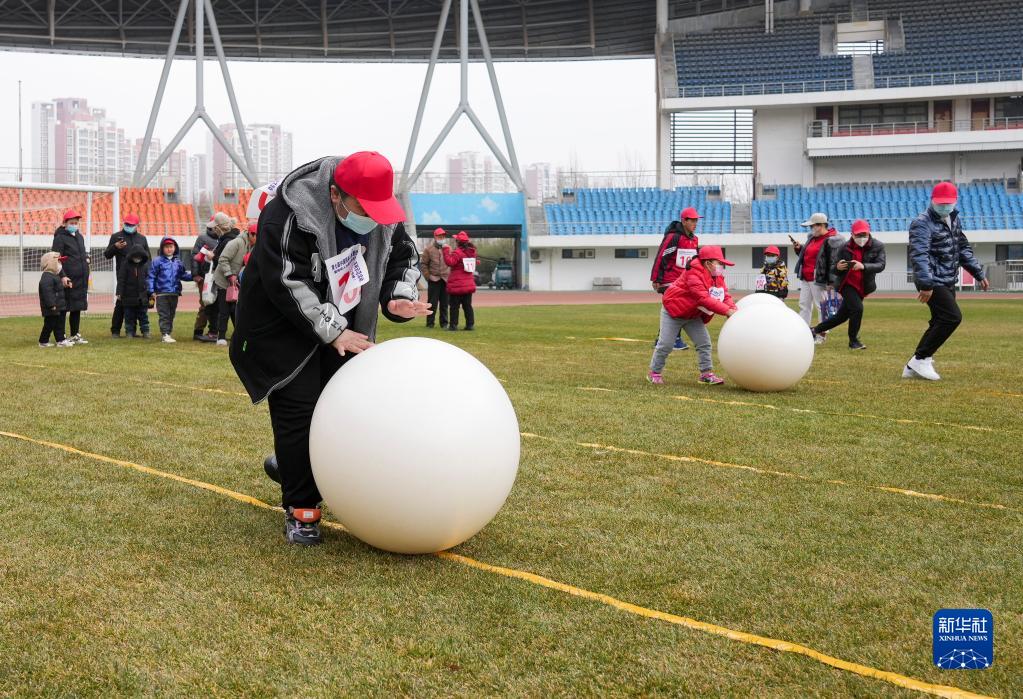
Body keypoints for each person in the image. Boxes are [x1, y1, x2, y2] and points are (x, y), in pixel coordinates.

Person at [229, 151, 431, 546]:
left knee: (348, 407)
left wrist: (397, 296)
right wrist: (333, 331)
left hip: (347, 323)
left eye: (378, 210)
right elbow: (288, 282)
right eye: (363, 209)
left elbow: (403, 258)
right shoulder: (288, 211)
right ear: (336, 195)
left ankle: (297, 468)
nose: (371, 218)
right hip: (283, 327)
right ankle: (302, 509)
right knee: (300, 406)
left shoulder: (382, 214)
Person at [904, 181, 989, 381]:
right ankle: (920, 358)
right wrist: (926, 284)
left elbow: (962, 249)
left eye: (948, 203)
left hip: (948, 278)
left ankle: (912, 365)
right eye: (940, 203)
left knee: (938, 320)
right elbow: (919, 255)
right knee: (952, 317)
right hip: (932, 279)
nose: (944, 207)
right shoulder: (921, 223)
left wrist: (978, 273)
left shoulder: (954, 219)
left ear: (955, 202)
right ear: (932, 201)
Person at [648, 245, 737, 386]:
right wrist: (727, 311)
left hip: (692, 314)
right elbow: (703, 299)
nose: (721, 266)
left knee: (704, 343)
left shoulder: (717, 276)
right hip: (673, 311)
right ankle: (654, 373)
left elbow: (724, 294)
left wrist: (733, 308)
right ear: (708, 263)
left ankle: (706, 374)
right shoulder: (693, 273)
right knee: (666, 344)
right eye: (718, 263)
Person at [811, 220, 885, 350]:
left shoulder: (877, 246)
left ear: (869, 233)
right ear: (852, 234)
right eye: (858, 235)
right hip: (847, 284)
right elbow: (834, 268)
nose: (861, 238)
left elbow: (881, 265)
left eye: (864, 234)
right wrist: (838, 267)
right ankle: (853, 341)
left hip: (863, 286)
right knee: (857, 309)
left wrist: (864, 266)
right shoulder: (844, 247)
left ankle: (814, 330)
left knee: (841, 317)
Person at [650, 207, 701, 351]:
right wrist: (656, 279)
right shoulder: (673, 237)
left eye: (696, 220)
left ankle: (665, 339)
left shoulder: (694, 239)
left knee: (680, 308)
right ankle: (674, 340)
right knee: (676, 308)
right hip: (670, 279)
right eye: (692, 220)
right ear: (684, 221)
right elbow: (662, 257)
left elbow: (695, 261)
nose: (695, 223)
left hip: (685, 281)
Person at [792, 212, 843, 344]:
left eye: (812, 226)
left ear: (820, 226)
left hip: (820, 279)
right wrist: (800, 249)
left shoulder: (833, 240)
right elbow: (809, 255)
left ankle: (821, 335)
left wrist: (831, 281)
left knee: (822, 307)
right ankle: (802, 332)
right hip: (806, 276)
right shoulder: (812, 238)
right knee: (804, 305)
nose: (811, 229)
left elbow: (833, 262)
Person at [103, 213, 148, 338]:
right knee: (121, 303)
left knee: (136, 303)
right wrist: (115, 247)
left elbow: (147, 257)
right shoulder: (116, 236)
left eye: (131, 225)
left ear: (137, 225)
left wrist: (146, 274)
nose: (129, 226)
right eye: (127, 224)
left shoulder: (142, 238)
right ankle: (115, 330)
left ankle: (132, 331)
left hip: (139, 277)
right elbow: (107, 254)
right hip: (123, 275)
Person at [50, 209, 90, 345]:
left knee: (77, 307)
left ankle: (75, 334)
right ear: (64, 223)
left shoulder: (80, 236)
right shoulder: (60, 238)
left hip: (80, 280)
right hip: (68, 279)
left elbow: (80, 255)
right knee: (64, 308)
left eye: (76, 222)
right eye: (71, 222)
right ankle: (61, 336)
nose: (74, 225)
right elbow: (56, 259)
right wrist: (62, 276)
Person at [147, 237, 193, 343]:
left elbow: (183, 275)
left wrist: (194, 277)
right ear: (162, 248)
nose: (169, 249)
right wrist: (151, 290)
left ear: (175, 248)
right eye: (166, 247)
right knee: (164, 314)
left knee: (171, 314)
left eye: (171, 247)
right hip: (162, 293)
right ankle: (165, 334)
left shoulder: (178, 262)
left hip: (174, 293)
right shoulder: (157, 261)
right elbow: (151, 276)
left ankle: (168, 333)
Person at [210, 212, 246, 346]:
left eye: (215, 227)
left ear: (220, 227)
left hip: (232, 280)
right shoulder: (233, 239)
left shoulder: (229, 241)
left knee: (228, 310)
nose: (213, 229)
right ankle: (222, 336)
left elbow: (222, 259)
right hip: (226, 279)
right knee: (227, 309)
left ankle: (226, 336)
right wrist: (230, 275)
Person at [190, 216, 220, 342]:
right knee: (205, 304)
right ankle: (198, 331)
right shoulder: (202, 238)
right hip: (204, 276)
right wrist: (196, 274)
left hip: (218, 276)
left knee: (216, 305)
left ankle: (214, 330)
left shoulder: (222, 239)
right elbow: (194, 256)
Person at [38, 252, 74, 348]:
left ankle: (60, 340)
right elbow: (47, 292)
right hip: (52, 307)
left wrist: (65, 284)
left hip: (59, 306)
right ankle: (43, 341)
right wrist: (51, 305)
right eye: (58, 262)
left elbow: (57, 289)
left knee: (59, 325)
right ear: (51, 263)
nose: (60, 265)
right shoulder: (47, 277)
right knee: (49, 325)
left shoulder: (55, 276)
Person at [443, 231, 477, 331]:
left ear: (458, 242)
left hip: (457, 285)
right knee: (467, 306)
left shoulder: (457, 252)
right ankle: (470, 325)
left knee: (454, 306)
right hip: (468, 285)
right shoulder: (471, 252)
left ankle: (453, 326)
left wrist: (445, 250)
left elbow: (450, 262)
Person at [117, 247, 151, 338]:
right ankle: (129, 332)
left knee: (143, 316)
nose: (137, 258)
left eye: (139, 256)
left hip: (142, 297)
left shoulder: (145, 266)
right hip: (128, 297)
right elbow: (121, 280)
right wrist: (119, 292)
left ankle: (145, 331)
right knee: (129, 316)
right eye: (135, 256)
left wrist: (150, 292)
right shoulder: (125, 265)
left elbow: (149, 280)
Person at [419, 227, 450, 328]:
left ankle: (444, 323)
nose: (442, 238)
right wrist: (428, 277)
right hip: (434, 280)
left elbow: (452, 262)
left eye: (443, 236)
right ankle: (430, 323)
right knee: (432, 303)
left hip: (445, 280)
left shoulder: (448, 248)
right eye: (439, 236)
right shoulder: (428, 249)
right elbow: (423, 264)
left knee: (445, 304)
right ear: (435, 237)